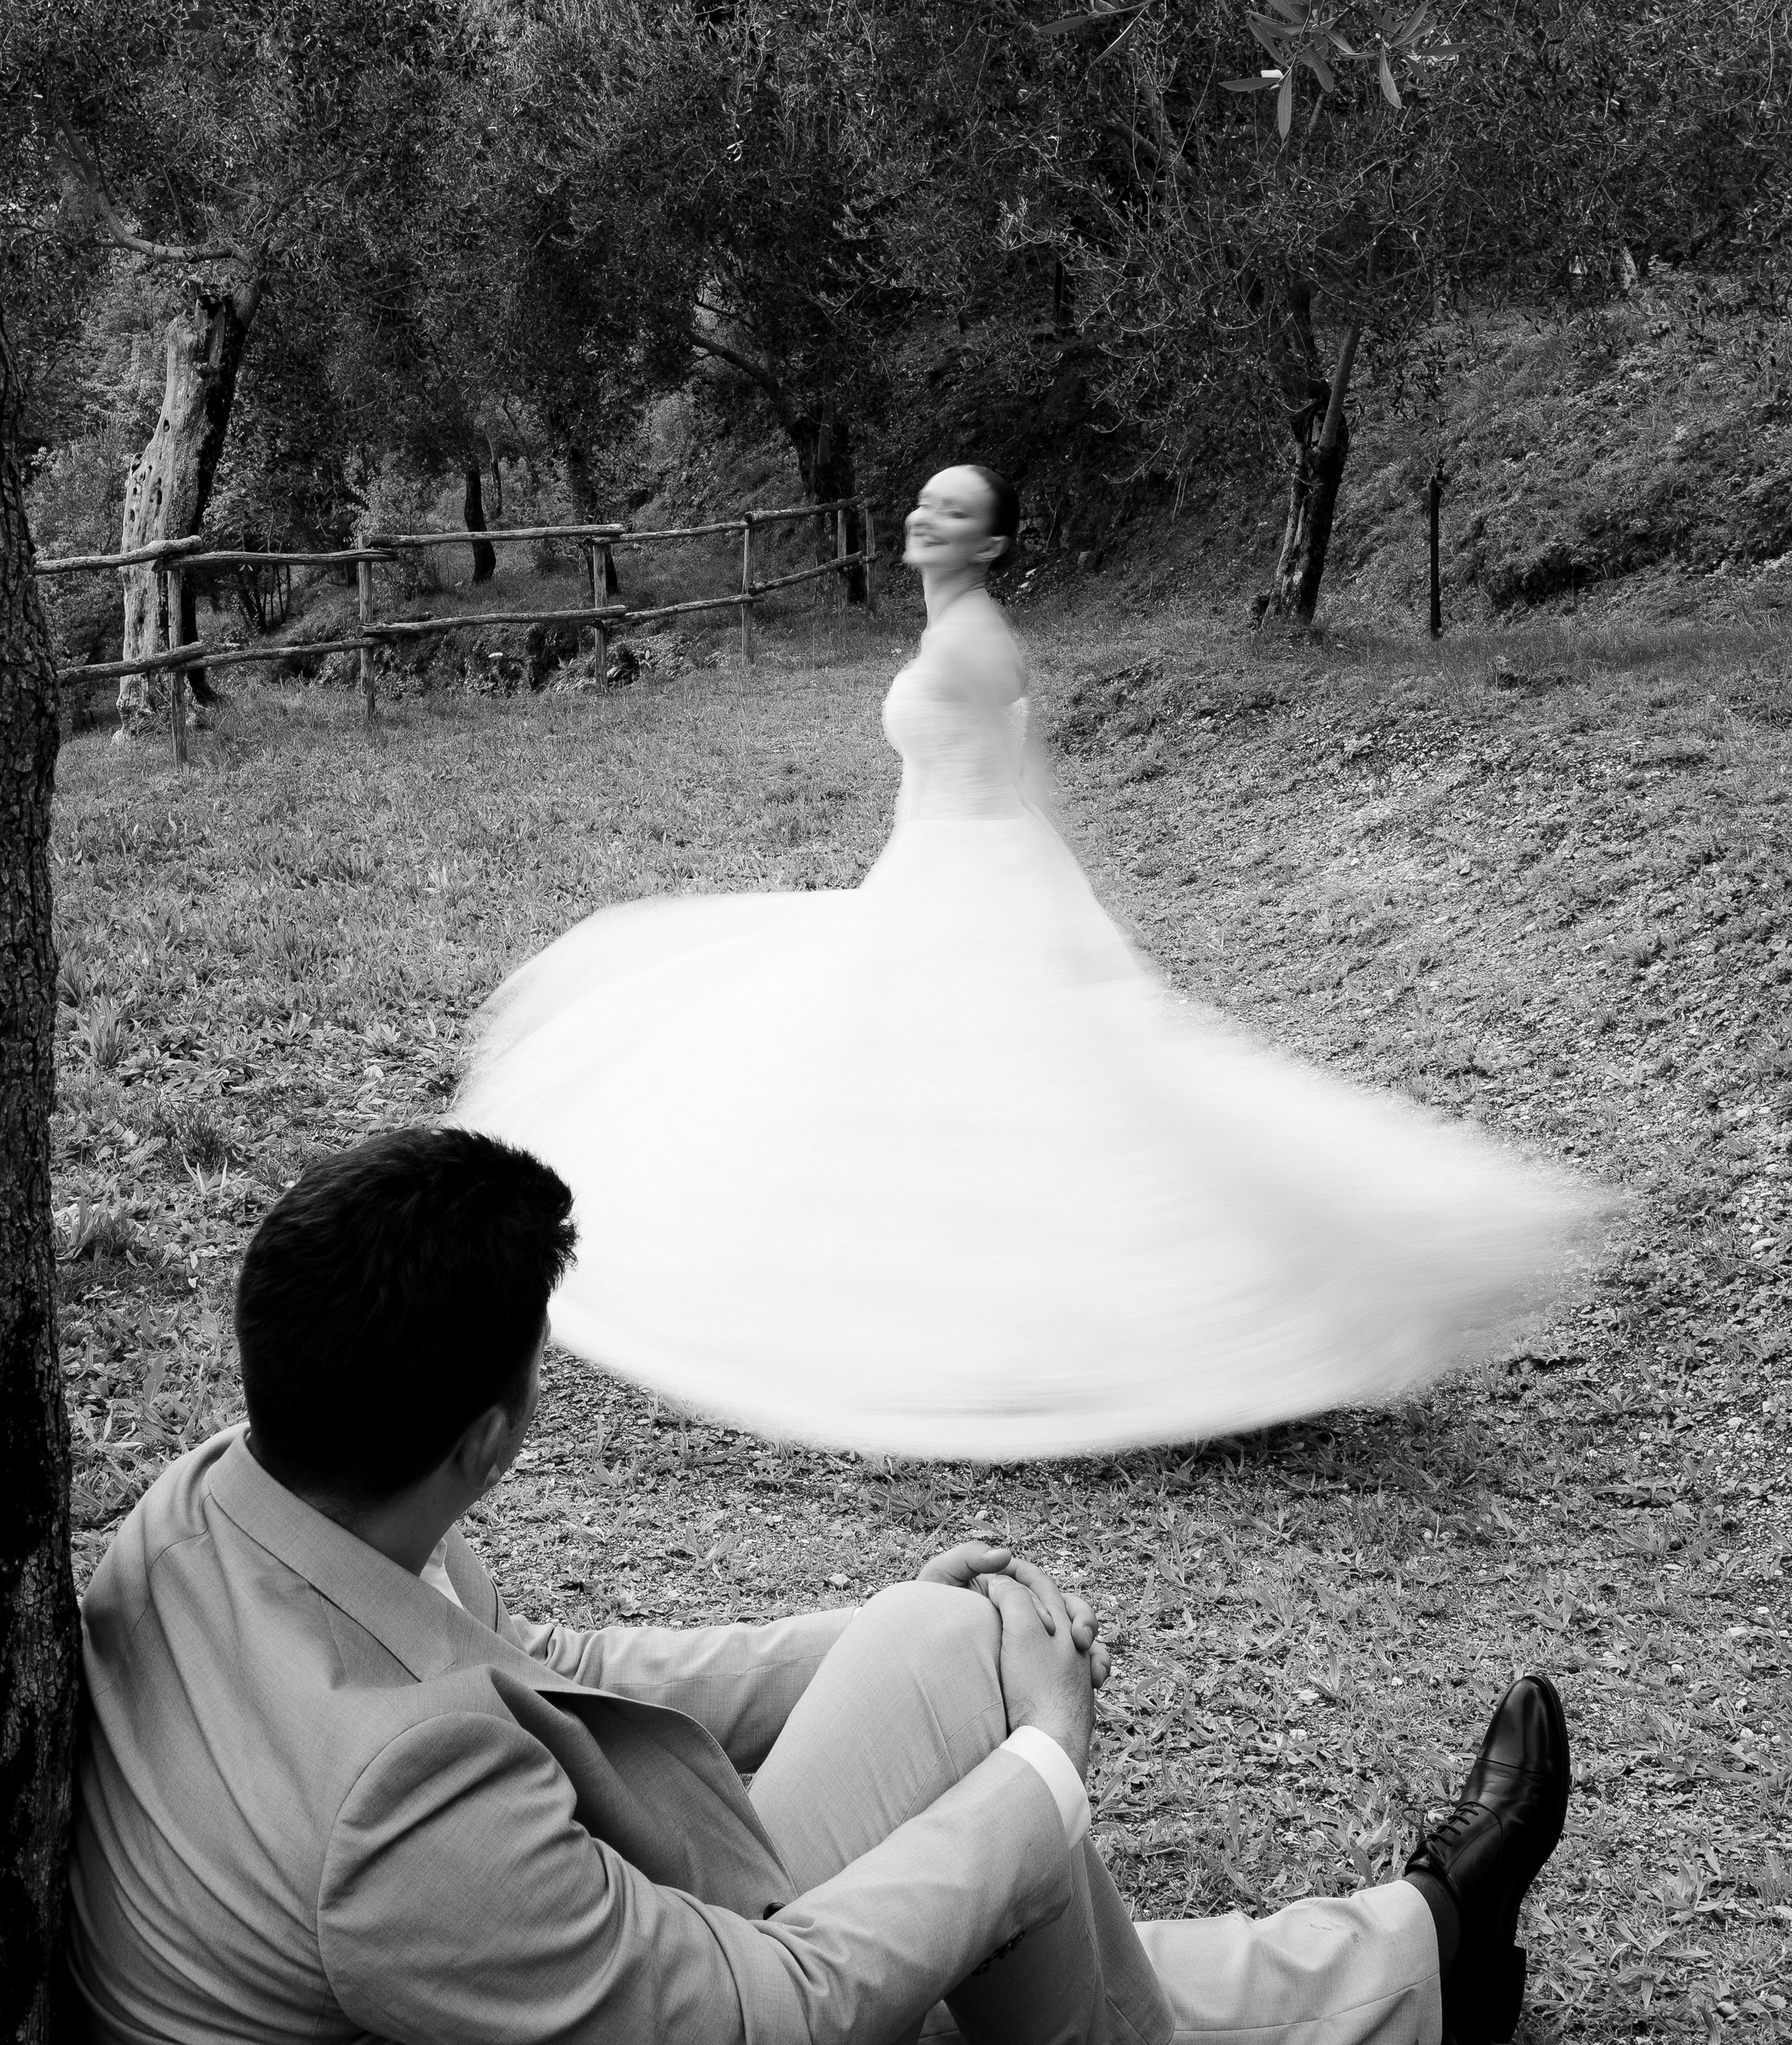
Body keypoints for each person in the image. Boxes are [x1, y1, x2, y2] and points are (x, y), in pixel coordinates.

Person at [70, 1129, 1571, 2045]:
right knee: (967, 1911)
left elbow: (537, 1657)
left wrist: (860, 1637)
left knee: (940, 1647)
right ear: (484, 1438)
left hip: (468, 1990)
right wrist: (1044, 1767)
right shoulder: (391, 1818)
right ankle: (1421, 1956)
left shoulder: (241, 1490)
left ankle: (1421, 1959)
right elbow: (762, 2018)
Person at [451, 462, 1606, 1458]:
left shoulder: (976, 640)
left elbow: (1020, 782)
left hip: (975, 880)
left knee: (1020, 1097)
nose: (927, 521)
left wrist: (1055, 915)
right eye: (923, 504)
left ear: (992, 542)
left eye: (954, 513)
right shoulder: (947, 626)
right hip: (923, 875)